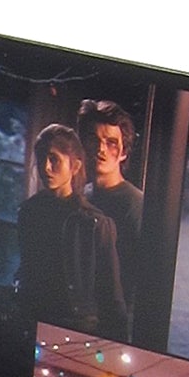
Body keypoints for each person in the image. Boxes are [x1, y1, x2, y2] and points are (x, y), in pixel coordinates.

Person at [16, 123, 128, 336]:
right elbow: (27, 269)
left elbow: (112, 296)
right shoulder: (29, 212)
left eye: (54, 159)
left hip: (77, 326)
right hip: (33, 319)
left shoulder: (95, 224)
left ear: (75, 166)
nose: (46, 167)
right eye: (41, 158)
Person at [79, 99, 145, 297]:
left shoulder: (136, 204)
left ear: (123, 152)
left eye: (111, 143)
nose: (101, 149)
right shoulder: (80, 195)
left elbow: (140, 275)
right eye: (94, 139)